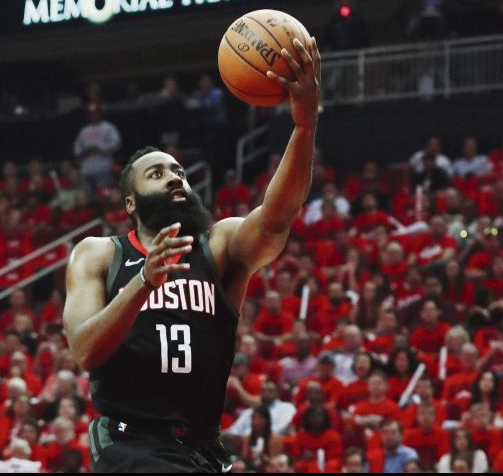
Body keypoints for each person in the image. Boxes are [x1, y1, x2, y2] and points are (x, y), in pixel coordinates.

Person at [64, 36, 322, 472]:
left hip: (201, 447)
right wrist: (143, 281)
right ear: (130, 203)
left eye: (179, 172)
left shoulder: (218, 247)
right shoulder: (98, 255)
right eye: (157, 173)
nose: (174, 179)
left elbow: (276, 219)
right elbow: (85, 350)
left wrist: (304, 126)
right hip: (131, 446)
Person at [73, 103, 122, 194]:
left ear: (100, 113)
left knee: (104, 195)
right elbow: (76, 150)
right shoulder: (84, 130)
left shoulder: (108, 127)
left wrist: (100, 148)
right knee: (89, 197)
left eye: (95, 113)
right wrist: (86, 151)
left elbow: (116, 143)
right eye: (91, 113)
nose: (93, 115)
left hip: (103, 168)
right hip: (87, 169)